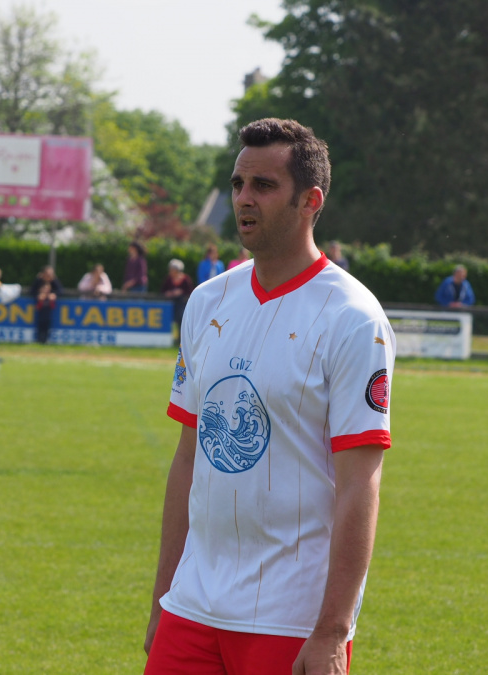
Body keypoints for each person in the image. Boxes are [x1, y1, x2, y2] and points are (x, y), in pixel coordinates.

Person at [146, 118, 395, 675]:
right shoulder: (207, 302)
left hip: (291, 620)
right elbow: (188, 459)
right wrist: (164, 598)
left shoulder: (353, 318)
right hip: (192, 606)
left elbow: (360, 483)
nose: (244, 198)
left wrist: (332, 631)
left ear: (310, 200)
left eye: (263, 185)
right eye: (238, 184)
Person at [29, 266, 63, 344]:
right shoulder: (39, 281)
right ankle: (39, 340)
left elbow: (60, 291)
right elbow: (31, 291)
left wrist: (54, 294)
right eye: (47, 274)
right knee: (40, 323)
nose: (49, 276)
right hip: (40, 308)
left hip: (49, 309)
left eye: (51, 274)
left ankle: (46, 340)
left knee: (47, 324)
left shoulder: (54, 282)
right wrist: (38, 296)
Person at [160, 259, 193, 328]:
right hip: (171, 303)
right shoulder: (168, 279)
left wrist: (181, 292)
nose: (171, 271)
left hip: (182, 304)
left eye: (173, 270)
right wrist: (169, 293)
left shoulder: (185, 279)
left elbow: (190, 291)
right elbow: (163, 290)